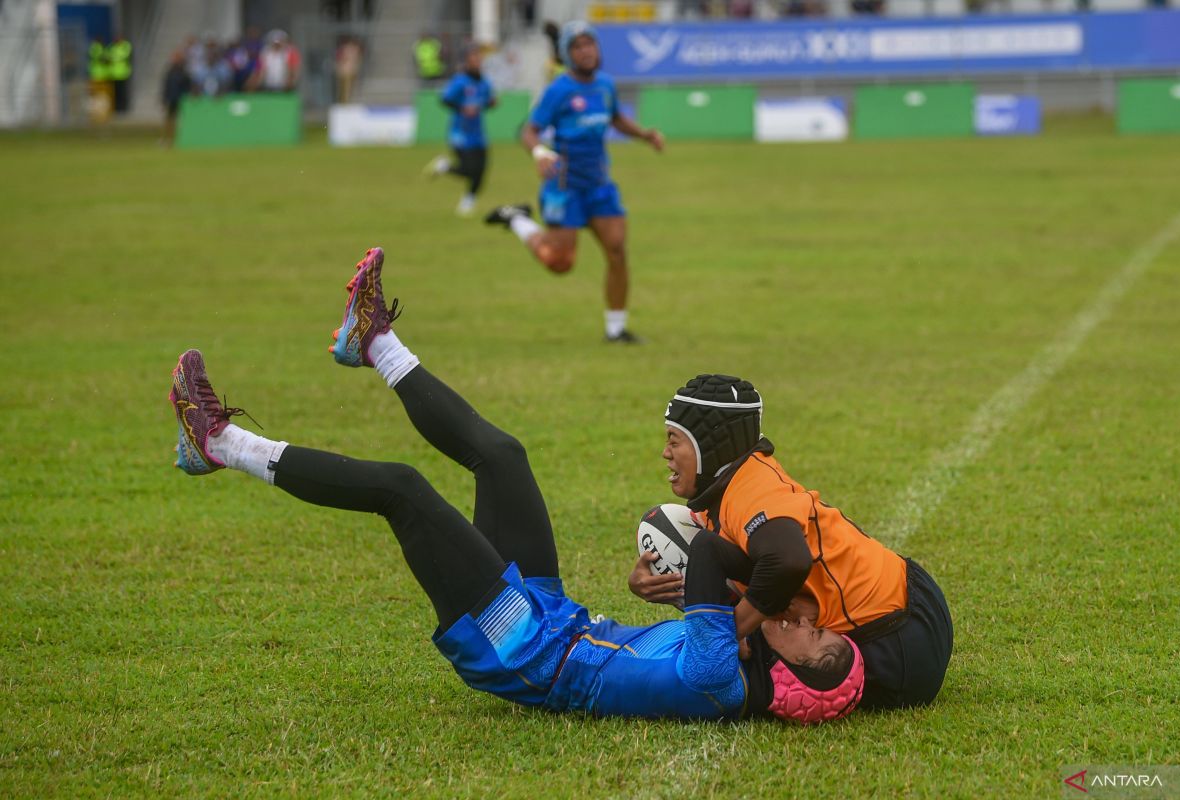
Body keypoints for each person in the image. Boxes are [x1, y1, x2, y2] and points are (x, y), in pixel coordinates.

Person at [167, 247, 865, 724]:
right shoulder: (733, 654)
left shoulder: (722, 674)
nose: (807, 625)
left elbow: (710, 554)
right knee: (503, 456)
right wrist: (744, 597)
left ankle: (222, 444)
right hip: (560, 621)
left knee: (403, 491)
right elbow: (708, 573)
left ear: (792, 681)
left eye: (814, 644)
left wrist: (754, 589)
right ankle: (372, 341)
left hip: (527, 652)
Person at [628, 374, 954, 710]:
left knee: (734, 674)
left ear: (708, 445)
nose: (665, 453)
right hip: (907, 600)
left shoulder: (752, 489)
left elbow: (788, 560)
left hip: (898, 643)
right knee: (693, 543)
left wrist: (730, 633)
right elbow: (715, 564)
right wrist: (651, 582)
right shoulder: (729, 488)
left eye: (674, 440)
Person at [484, 22, 664, 344]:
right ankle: (518, 220)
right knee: (560, 263)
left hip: (598, 184)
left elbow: (616, 118)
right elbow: (528, 130)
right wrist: (539, 151)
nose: (586, 51)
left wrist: (645, 135)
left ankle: (616, 330)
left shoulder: (605, 84)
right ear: (568, 54)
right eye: (578, 46)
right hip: (564, 187)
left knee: (617, 251)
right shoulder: (559, 90)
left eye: (590, 44)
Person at [423, 42, 496, 217]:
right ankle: (445, 166)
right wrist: (462, 108)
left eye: (479, 57)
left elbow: (487, 101)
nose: (478, 60)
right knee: (469, 169)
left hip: (478, 133)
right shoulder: (460, 81)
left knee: (482, 170)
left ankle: (468, 200)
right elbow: (445, 99)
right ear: (467, 60)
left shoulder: (484, 82)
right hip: (460, 133)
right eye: (474, 57)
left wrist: (490, 103)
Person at [161, 49, 191, 145]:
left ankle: (178, 139)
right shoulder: (170, 71)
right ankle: (167, 139)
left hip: (180, 99)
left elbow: (187, 85)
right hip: (171, 98)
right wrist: (164, 98)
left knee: (180, 120)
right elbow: (166, 85)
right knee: (169, 120)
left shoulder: (183, 71)